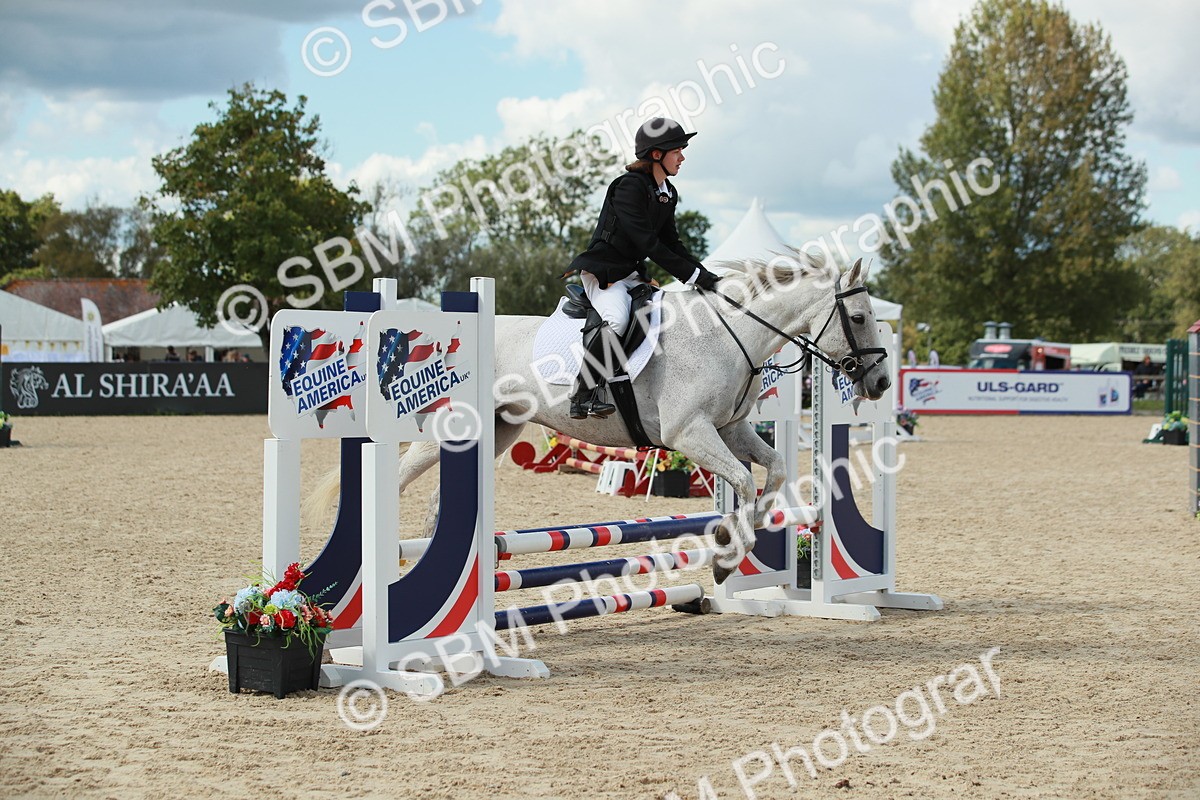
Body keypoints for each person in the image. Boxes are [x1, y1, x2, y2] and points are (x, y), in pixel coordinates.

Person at [563, 117, 721, 419]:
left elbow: (672, 242)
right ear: (657, 154)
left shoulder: (666, 191)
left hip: (633, 275)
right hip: (604, 273)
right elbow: (648, 242)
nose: (683, 157)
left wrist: (704, 274)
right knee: (618, 320)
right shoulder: (628, 188)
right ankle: (582, 394)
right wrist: (691, 275)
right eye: (678, 150)